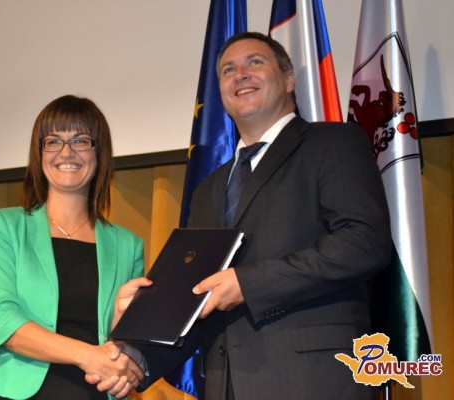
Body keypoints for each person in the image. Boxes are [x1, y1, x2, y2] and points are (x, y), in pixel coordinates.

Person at [104, 32, 392, 400]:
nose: (240, 74)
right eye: (228, 70)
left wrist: (247, 284)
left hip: (313, 379)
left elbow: (364, 243)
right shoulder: (209, 188)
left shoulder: (333, 143)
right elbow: (198, 296)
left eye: (255, 63)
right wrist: (137, 358)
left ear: (288, 79)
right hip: (225, 385)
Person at [0, 95, 145, 400]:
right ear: (39, 153)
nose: (66, 152)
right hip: (12, 393)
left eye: (81, 140)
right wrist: (87, 355)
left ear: (99, 153)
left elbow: (121, 339)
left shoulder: (128, 245)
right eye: (53, 141)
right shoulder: (5, 226)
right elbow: (3, 322)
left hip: (91, 392)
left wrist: (123, 349)